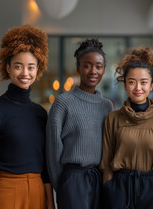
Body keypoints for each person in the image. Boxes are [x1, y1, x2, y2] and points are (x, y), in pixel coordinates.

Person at [0, 24, 54, 209]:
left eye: (31, 67)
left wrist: (50, 203)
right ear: (8, 67)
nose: (25, 73)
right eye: (18, 66)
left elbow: (45, 167)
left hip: (37, 192)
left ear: (38, 69)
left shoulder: (40, 113)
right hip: (6, 191)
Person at [99, 46, 153, 209]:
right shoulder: (113, 118)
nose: (138, 88)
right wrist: (109, 186)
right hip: (119, 188)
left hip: (152, 190)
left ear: (152, 85)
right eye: (132, 82)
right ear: (125, 85)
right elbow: (106, 160)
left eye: (143, 82)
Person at [46, 38, 113, 209]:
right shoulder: (63, 103)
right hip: (72, 181)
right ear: (78, 68)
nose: (93, 71)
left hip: (99, 179)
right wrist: (62, 186)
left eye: (99, 66)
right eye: (87, 65)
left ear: (104, 69)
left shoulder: (107, 106)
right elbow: (53, 151)